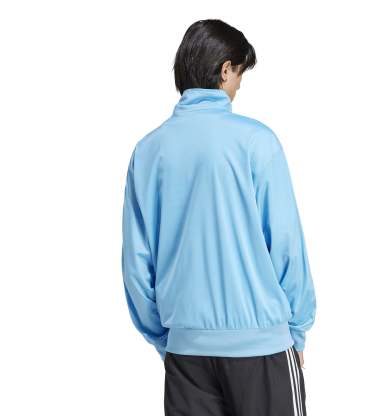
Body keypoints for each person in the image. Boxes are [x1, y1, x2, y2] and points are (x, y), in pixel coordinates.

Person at [121, 18, 317, 416]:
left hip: (187, 355)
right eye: (240, 74)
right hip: (261, 348)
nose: (239, 86)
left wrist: (169, 338)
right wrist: (297, 329)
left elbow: (136, 265)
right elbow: (285, 244)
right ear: (225, 69)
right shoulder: (257, 141)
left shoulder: (148, 151)